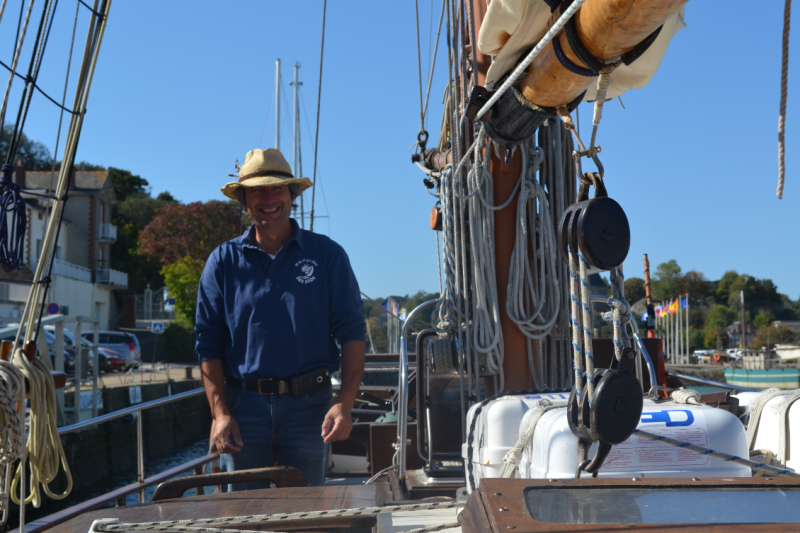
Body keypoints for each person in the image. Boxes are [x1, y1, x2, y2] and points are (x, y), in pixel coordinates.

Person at [195, 148, 366, 489]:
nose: (268, 198)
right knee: (245, 517)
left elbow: (352, 332)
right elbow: (207, 340)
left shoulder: (328, 255)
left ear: (292, 196)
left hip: (310, 408)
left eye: (277, 188)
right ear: (244, 200)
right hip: (243, 409)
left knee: (305, 516)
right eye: (257, 190)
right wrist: (220, 414)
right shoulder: (222, 261)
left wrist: (344, 403)